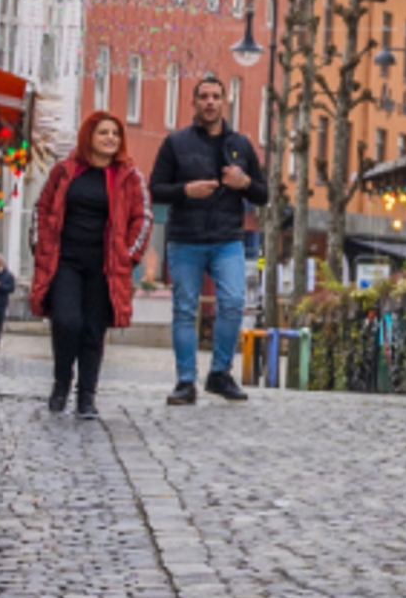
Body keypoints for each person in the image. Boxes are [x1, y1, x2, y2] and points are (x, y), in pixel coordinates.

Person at [146, 75, 267, 405]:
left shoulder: (241, 144)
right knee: (184, 310)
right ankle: (186, 381)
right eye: (203, 97)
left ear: (224, 101)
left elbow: (263, 194)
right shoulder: (176, 143)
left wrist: (243, 183)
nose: (210, 102)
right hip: (185, 238)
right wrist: (185, 190)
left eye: (216, 96)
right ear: (194, 103)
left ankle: (219, 374)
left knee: (232, 303)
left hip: (227, 238)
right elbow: (155, 188)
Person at [27, 110, 146, 424]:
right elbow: (42, 207)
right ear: (89, 137)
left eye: (115, 133)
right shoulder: (64, 171)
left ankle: (86, 397)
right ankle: (61, 383)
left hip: (105, 266)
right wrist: (40, 246)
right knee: (67, 322)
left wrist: (128, 255)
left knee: (94, 330)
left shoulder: (130, 176)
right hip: (65, 260)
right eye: (104, 132)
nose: (110, 138)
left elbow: (142, 218)